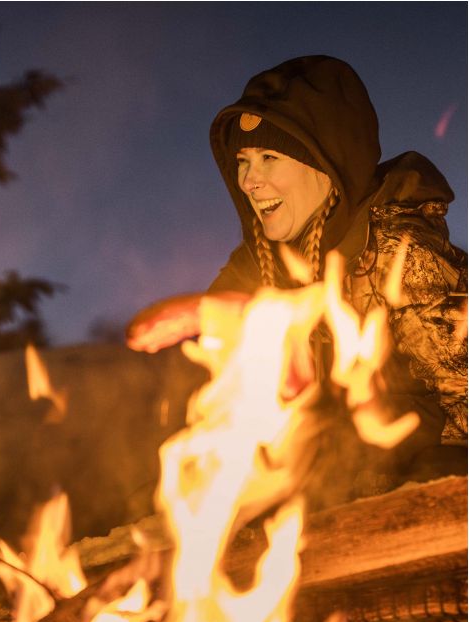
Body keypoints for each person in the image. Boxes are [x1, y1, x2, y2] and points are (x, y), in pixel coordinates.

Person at [132, 55, 466, 491]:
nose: (250, 181)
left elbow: (461, 406)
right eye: (243, 162)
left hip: (427, 482)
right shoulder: (262, 263)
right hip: (330, 481)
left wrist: (362, 462)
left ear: (327, 167)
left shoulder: (402, 255)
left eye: (269, 157)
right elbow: (203, 376)